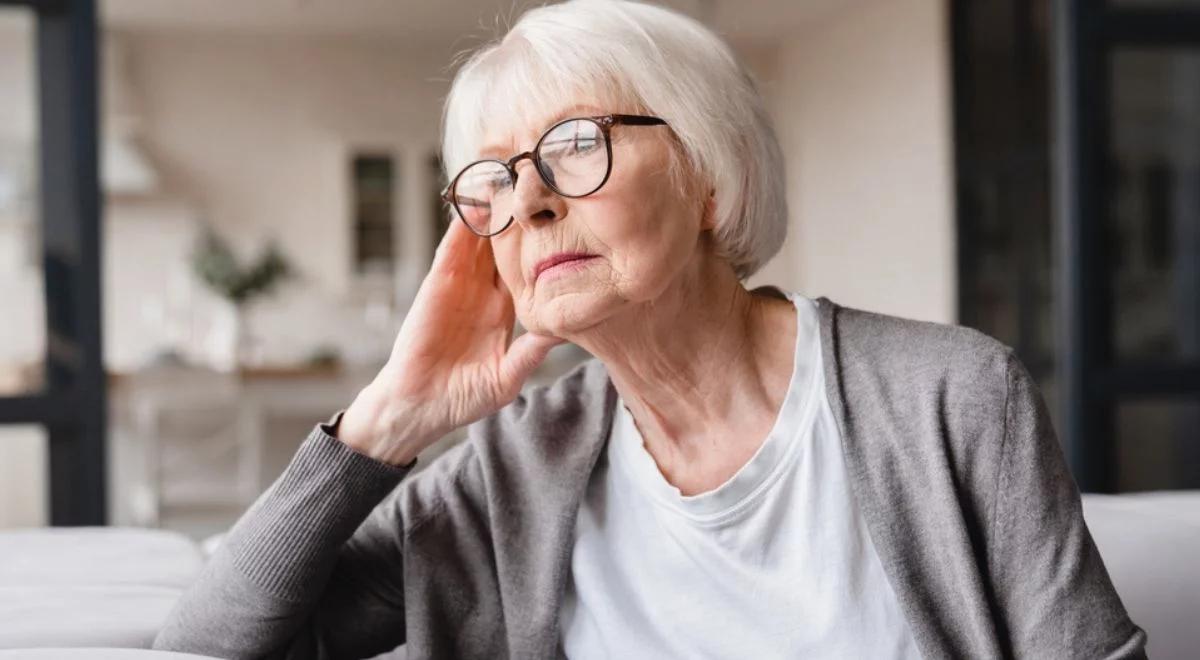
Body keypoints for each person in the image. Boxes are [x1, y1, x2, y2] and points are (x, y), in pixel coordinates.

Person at [154, 1, 1146, 658]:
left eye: (575, 144)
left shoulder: (948, 395)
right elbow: (207, 647)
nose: (530, 201)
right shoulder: (511, 469)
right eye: (496, 179)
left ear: (707, 176)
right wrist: (384, 425)